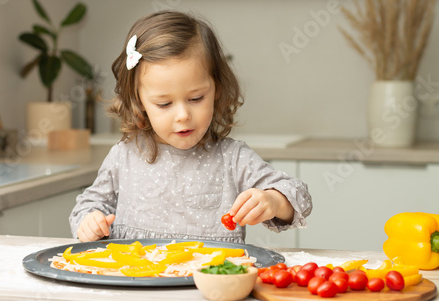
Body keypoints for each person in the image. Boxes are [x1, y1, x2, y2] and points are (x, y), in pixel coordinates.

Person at [69, 10, 312, 243]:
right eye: (164, 104)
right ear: (139, 102)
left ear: (217, 88)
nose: (183, 115)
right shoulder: (124, 156)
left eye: (196, 99)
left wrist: (273, 200)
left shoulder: (233, 158)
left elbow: (297, 194)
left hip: (210, 285)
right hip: (136, 283)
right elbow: (89, 205)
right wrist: (89, 222)